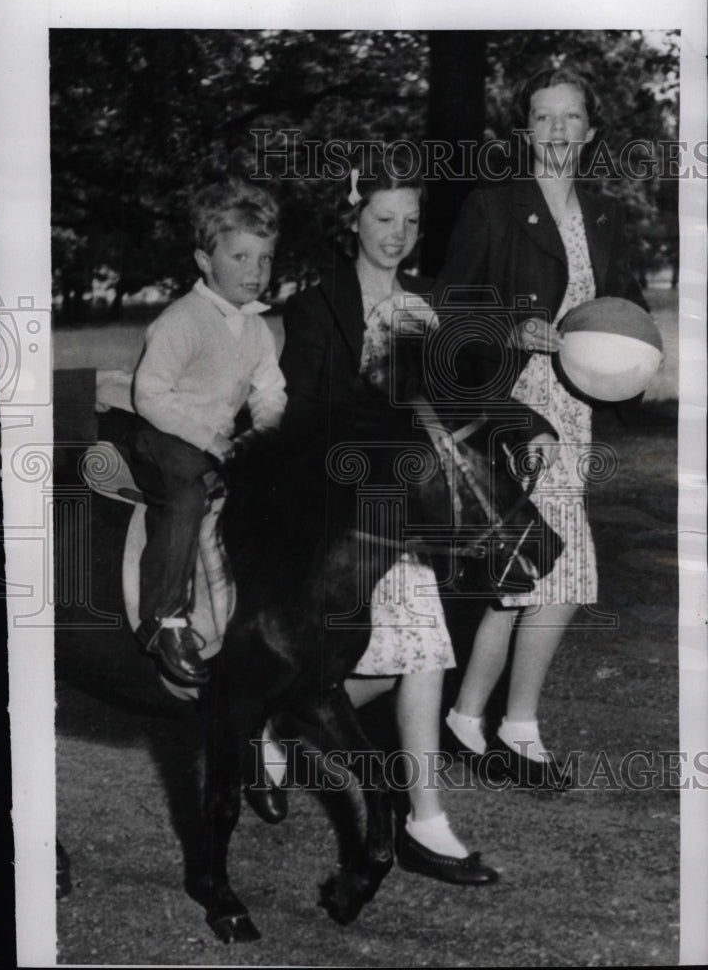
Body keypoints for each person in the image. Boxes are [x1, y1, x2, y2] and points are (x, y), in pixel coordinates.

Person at [280, 151, 498, 885]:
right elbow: (301, 416)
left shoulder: (428, 302)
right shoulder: (315, 307)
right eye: (383, 218)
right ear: (353, 219)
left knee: (425, 644)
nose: (397, 234)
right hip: (335, 503)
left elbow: (454, 413)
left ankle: (419, 817)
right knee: (421, 646)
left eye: (410, 221)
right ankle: (284, 723)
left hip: (404, 508)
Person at [437, 67, 647, 786]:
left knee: (522, 571)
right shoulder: (493, 206)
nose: (557, 130)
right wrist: (511, 327)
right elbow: (451, 317)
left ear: (590, 130)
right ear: (524, 128)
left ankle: (467, 717)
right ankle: (518, 729)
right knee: (560, 565)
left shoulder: (606, 214)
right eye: (542, 116)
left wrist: (631, 368)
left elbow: (624, 316)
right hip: (516, 409)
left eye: (571, 117)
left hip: (576, 411)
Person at [130, 174, 286, 687]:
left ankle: (260, 617)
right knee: (185, 498)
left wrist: (266, 435)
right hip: (166, 433)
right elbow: (149, 394)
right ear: (204, 261)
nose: (255, 271)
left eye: (263, 259)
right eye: (240, 258)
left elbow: (268, 392)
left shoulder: (258, 328)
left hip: (217, 441)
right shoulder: (184, 319)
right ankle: (164, 617)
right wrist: (210, 439)